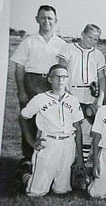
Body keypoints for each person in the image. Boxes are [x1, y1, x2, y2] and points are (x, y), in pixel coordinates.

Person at [11, 5, 66, 167]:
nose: (46, 21)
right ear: (37, 19)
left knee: (50, 122)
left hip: (52, 83)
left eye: (50, 18)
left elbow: (64, 68)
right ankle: (28, 159)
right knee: (29, 120)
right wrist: (21, 90)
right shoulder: (29, 41)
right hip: (32, 82)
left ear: (55, 21)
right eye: (43, 17)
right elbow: (19, 67)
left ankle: (46, 160)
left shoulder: (61, 44)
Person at [20, 64, 84, 196]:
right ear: (49, 79)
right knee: (37, 192)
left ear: (67, 79)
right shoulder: (40, 99)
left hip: (68, 143)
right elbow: (23, 117)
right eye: (57, 77)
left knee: (61, 190)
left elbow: (77, 128)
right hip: (48, 143)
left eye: (64, 77)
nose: (61, 80)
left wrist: (80, 158)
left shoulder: (73, 100)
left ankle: (50, 180)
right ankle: (26, 174)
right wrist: (31, 141)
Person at [58, 24, 106, 168]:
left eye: (96, 39)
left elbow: (102, 78)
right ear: (82, 34)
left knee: (86, 130)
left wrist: (100, 99)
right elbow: (62, 69)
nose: (92, 41)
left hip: (90, 93)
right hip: (71, 92)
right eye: (90, 37)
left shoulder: (97, 54)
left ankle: (81, 166)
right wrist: (66, 93)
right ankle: (66, 163)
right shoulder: (69, 48)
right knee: (69, 129)